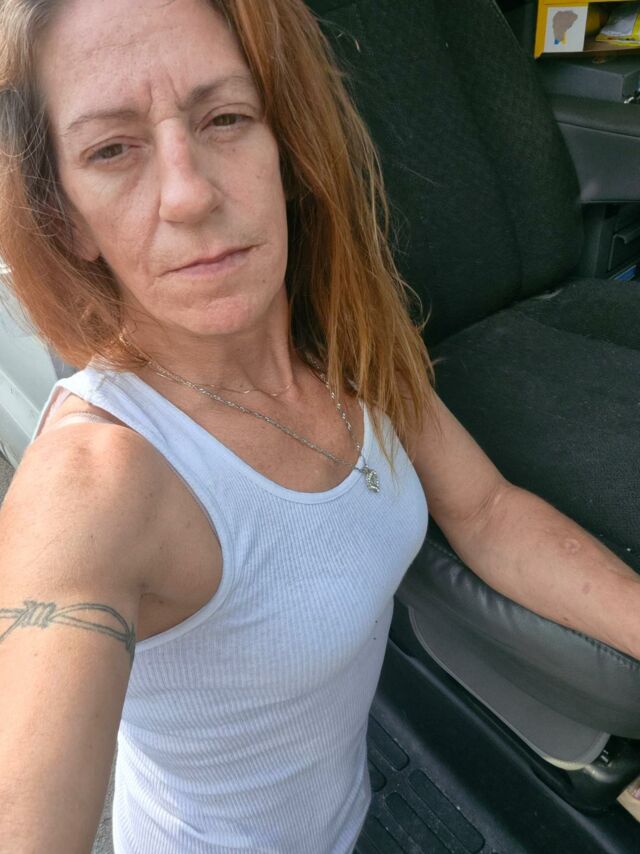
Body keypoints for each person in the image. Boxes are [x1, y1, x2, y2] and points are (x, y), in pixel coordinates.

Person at [0, 0, 638, 851]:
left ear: (287, 147)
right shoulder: (95, 480)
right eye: (112, 150)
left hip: (350, 816)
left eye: (225, 119)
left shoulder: (348, 341)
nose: (190, 194)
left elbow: (487, 512)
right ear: (68, 218)